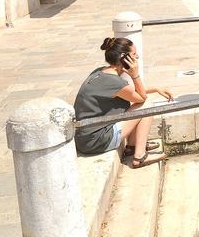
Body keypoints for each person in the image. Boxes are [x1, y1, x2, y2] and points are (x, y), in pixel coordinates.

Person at [73, 37, 173, 168]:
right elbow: (141, 97)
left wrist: (155, 89)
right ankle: (139, 157)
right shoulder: (114, 81)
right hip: (96, 141)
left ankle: (132, 147)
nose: (137, 57)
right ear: (124, 58)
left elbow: (129, 93)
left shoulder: (101, 72)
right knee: (146, 105)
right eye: (133, 54)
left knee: (139, 104)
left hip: (85, 138)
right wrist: (134, 74)